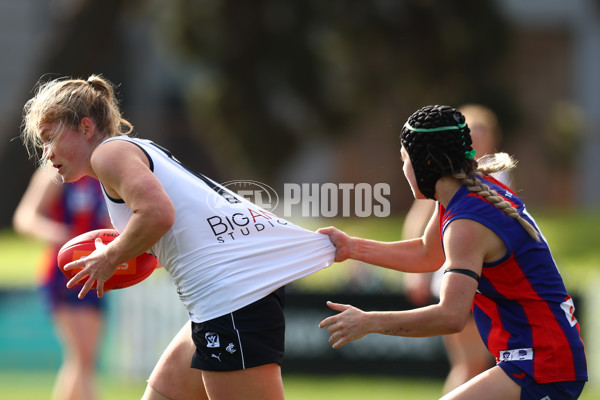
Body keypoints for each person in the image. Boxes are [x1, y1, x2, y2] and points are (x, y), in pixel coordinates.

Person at [20, 74, 335, 400]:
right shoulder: (125, 153)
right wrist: (136, 254)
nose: (45, 153)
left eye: (49, 138)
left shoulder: (107, 155)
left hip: (230, 301)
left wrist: (110, 257)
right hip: (221, 301)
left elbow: (158, 214)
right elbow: (177, 228)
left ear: (86, 128)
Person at [318, 105, 587, 400]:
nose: (403, 169)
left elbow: (451, 317)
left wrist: (370, 322)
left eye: (405, 159)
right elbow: (426, 254)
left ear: (426, 162)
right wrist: (352, 248)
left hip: (544, 362)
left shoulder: (466, 222)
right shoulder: (463, 193)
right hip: (537, 356)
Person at [402, 104, 501, 394]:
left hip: (482, 280)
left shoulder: (492, 172)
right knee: (469, 365)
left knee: (478, 365)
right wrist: (416, 275)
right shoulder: (448, 180)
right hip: (461, 279)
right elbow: (420, 224)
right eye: (473, 132)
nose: (478, 138)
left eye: (483, 132)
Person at [13, 167, 110, 400]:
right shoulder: (55, 175)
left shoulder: (103, 175)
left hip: (94, 273)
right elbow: (25, 217)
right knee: (81, 356)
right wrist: (62, 236)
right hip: (61, 275)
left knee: (85, 358)